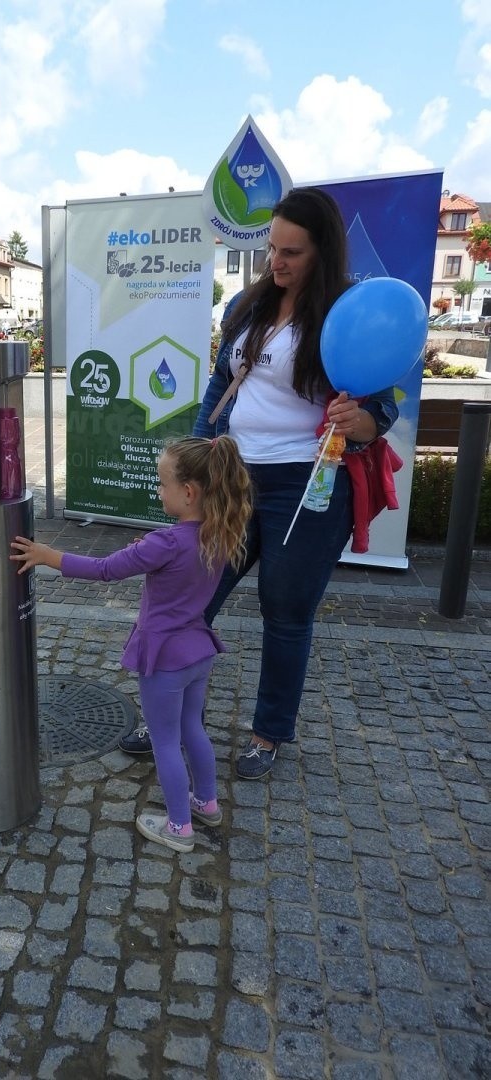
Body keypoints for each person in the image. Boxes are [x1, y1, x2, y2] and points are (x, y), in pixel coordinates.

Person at [120, 187, 399, 779]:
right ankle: (162, 712)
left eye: (291, 252)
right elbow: (218, 392)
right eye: (272, 247)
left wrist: (362, 423)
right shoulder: (246, 307)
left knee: (285, 607)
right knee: (192, 596)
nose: (277, 261)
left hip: (309, 485)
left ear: (322, 252)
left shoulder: (345, 313)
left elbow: (382, 412)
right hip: (235, 477)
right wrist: (196, 465)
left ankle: (268, 735)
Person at [11, 436, 252, 852]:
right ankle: (207, 802)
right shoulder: (220, 533)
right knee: (193, 728)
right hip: (198, 650)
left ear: (189, 492)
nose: (159, 491)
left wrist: (50, 556)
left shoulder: (167, 542)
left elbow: (105, 570)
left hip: (165, 658)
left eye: (162, 484)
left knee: (163, 740)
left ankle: (179, 828)